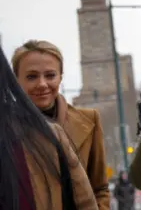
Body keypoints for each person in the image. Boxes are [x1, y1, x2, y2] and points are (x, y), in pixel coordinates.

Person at [11, 40, 110, 210]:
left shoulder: (89, 121)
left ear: (60, 78)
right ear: (16, 80)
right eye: (32, 76)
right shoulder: (6, 129)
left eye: (50, 75)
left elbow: (99, 188)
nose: (42, 84)